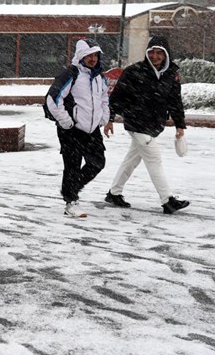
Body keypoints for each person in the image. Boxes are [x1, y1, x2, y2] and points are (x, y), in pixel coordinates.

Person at [104, 36, 189, 215]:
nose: (155, 56)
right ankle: (167, 201)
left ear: (166, 55)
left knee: (132, 160)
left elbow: (175, 101)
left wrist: (179, 124)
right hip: (136, 123)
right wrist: (109, 119)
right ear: (147, 53)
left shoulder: (171, 73)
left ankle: (114, 193)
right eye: (152, 52)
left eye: (159, 52)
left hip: (154, 124)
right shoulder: (134, 71)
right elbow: (117, 97)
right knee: (154, 160)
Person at [45, 39, 110, 218]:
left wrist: (104, 116)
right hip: (71, 129)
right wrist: (65, 120)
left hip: (92, 129)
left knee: (97, 163)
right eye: (89, 55)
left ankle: (70, 188)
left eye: (95, 55)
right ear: (80, 56)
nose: (92, 59)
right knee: (72, 166)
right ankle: (71, 201)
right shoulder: (70, 74)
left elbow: (104, 98)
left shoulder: (100, 77)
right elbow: (53, 99)